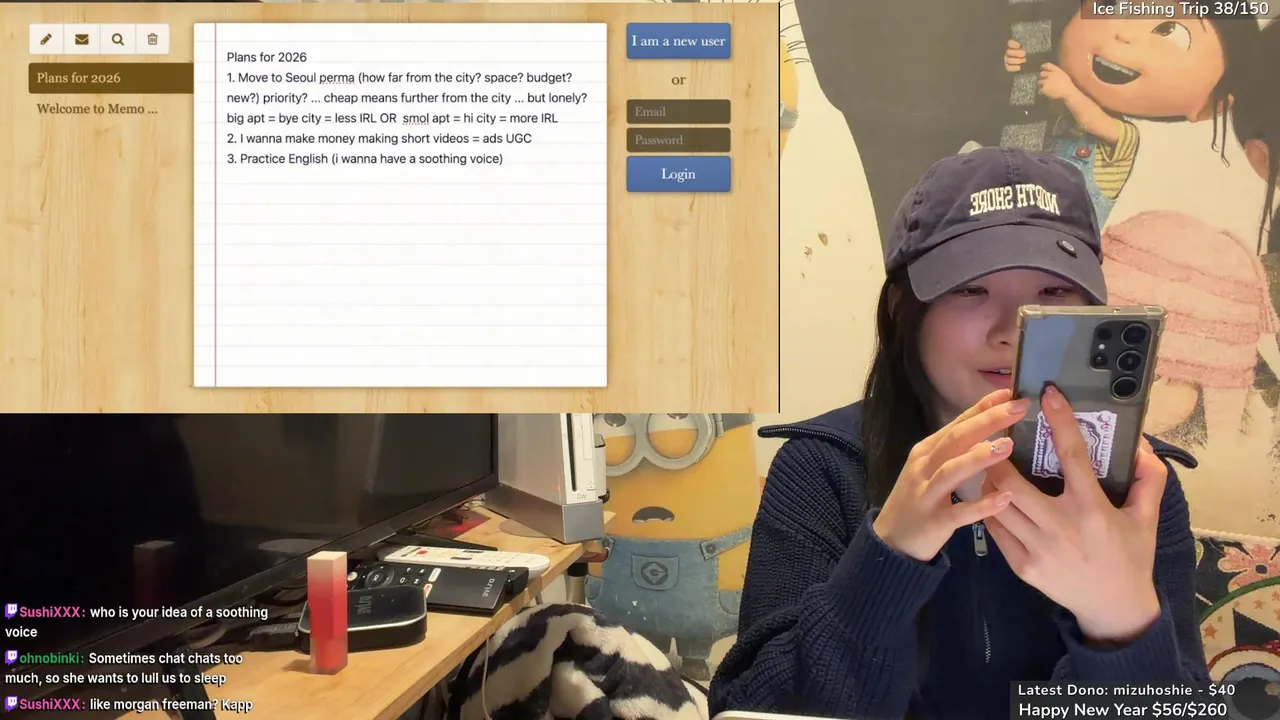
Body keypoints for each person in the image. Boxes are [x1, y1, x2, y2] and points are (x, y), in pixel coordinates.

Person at [707, 147, 1209, 719]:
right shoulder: (822, 468)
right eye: (971, 290)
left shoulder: (1139, 484)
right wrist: (887, 559)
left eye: (1052, 294)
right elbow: (751, 706)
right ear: (903, 309)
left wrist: (1119, 622)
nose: (1011, 330)